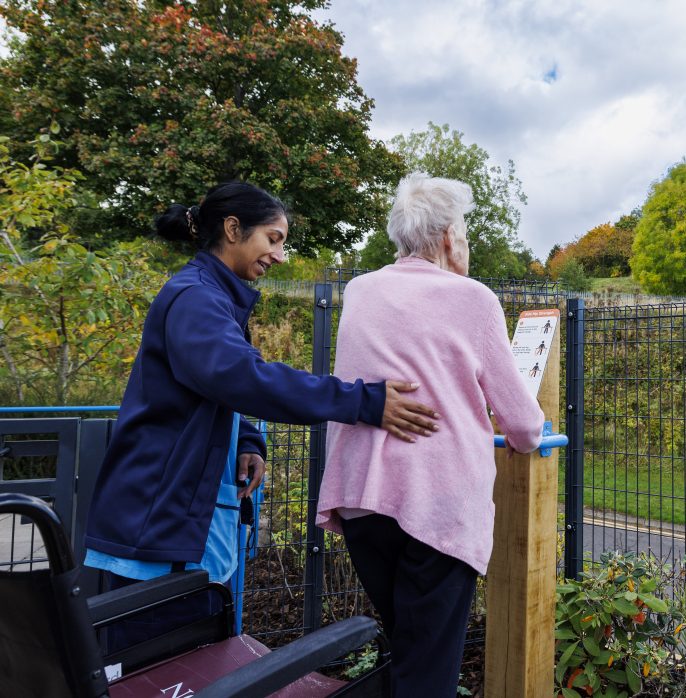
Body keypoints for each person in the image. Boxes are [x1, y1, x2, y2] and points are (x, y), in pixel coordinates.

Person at [83, 181, 440, 648]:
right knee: (166, 670)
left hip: (181, 526)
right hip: (160, 534)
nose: (281, 255)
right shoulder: (195, 298)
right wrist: (363, 401)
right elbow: (243, 377)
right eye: (273, 238)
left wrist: (247, 440)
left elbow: (210, 387)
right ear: (233, 229)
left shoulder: (216, 296)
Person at [316, 173, 544, 697]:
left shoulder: (359, 290)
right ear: (446, 237)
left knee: (411, 648)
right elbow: (523, 422)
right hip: (435, 504)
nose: (465, 241)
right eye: (463, 231)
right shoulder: (474, 299)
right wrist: (529, 437)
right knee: (428, 669)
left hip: (363, 501)